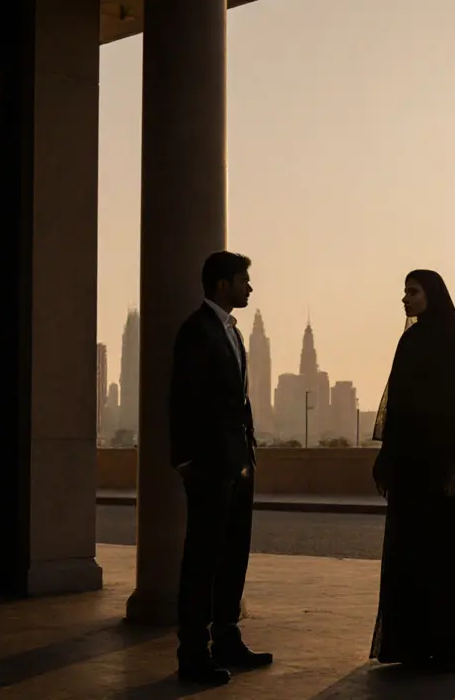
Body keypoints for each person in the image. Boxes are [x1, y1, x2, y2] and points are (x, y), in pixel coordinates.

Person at [369, 269, 455, 668]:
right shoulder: (410, 340)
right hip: (412, 468)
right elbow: (398, 408)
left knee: (451, 555)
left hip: (444, 468)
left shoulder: (449, 342)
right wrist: (388, 459)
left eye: (413, 291)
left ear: (433, 295)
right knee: (413, 554)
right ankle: (414, 643)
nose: (405, 299)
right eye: (405, 292)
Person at [169, 251, 273, 685]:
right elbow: (183, 397)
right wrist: (185, 460)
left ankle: (227, 639)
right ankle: (193, 652)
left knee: (233, 554)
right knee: (203, 558)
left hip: (238, 462)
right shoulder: (197, 331)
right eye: (244, 280)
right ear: (222, 284)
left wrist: (248, 450)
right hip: (210, 464)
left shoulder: (232, 331)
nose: (250, 287)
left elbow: (238, 399)